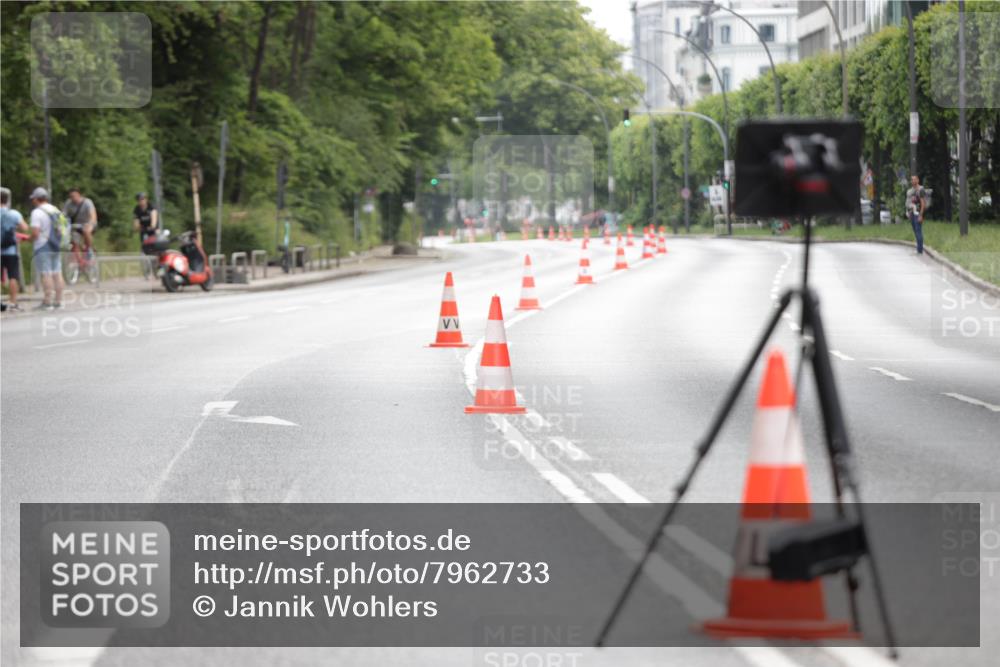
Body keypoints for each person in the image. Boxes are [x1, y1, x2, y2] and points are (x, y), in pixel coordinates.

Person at [28, 187, 65, 310]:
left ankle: (47, 302)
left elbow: (35, 233)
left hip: (43, 245)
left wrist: (28, 239)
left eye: (33, 198)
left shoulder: (37, 212)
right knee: (57, 273)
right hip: (56, 244)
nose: (32, 201)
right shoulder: (55, 210)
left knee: (46, 274)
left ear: (36, 199)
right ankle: (58, 301)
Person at [1, 187, 29, 311]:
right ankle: (12, 302)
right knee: (13, 276)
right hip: (10, 250)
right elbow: (25, 228)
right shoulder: (13, 214)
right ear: (7, 200)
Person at [62, 187, 97, 253]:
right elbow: (63, 215)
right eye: (71, 196)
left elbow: (93, 216)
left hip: (88, 223)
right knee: (72, 239)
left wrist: (90, 224)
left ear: (79, 195)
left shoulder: (87, 202)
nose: (73, 198)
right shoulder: (68, 203)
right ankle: (76, 253)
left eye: (74, 196)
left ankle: (90, 249)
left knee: (86, 230)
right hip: (76, 225)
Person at [905, 175, 927, 255]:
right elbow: (908, 202)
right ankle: (918, 248)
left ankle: (920, 250)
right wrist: (908, 212)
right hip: (911, 213)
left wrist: (921, 215)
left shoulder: (920, 189)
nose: (913, 181)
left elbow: (923, 203)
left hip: (917, 213)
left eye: (915, 179)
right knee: (915, 231)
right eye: (912, 180)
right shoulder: (910, 191)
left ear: (918, 180)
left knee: (918, 231)